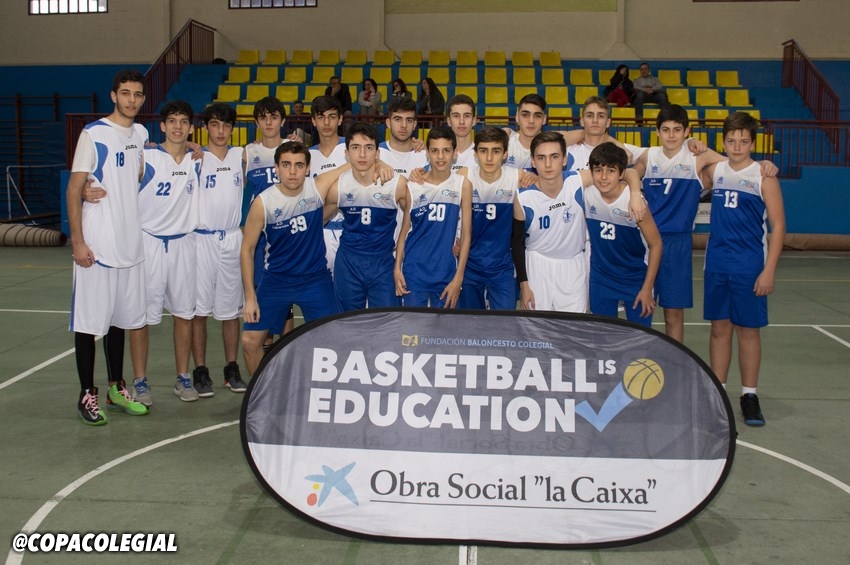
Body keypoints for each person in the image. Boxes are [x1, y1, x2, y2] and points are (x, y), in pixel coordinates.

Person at [632, 104, 776, 343]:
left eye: (677, 130)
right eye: (666, 129)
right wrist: (635, 192)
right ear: (656, 131)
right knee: (640, 309)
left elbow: (737, 163)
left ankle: (675, 364)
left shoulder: (698, 157)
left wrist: (763, 165)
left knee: (673, 315)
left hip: (677, 244)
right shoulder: (649, 156)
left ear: (687, 131)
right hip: (644, 240)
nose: (671, 135)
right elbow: (630, 173)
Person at [67, 69, 150, 424]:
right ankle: (86, 393)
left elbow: (137, 173)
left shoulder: (142, 134)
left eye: (138, 94)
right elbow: (74, 190)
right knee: (89, 323)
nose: (132, 100)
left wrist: (193, 147)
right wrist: (78, 242)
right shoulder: (93, 134)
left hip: (129, 247)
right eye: (126, 93)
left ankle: (117, 387)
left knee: (119, 320)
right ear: (114, 95)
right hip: (98, 247)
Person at [702, 112, 785, 426]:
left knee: (748, 331)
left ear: (753, 143)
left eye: (744, 141)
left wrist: (769, 270)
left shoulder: (764, 176)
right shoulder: (715, 171)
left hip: (749, 266)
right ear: (723, 142)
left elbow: (778, 226)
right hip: (716, 263)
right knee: (719, 329)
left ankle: (749, 396)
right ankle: (718, 393)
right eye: (731, 140)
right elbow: (693, 157)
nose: (737, 146)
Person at [512, 132, 644, 313]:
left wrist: (635, 194)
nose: (548, 164)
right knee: (535, 327)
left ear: (565, 159)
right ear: (533, 161)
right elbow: (517, 243)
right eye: (541, 158)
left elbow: (628, 171)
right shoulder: (523, 197)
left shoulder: (577, 180)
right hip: (537, 266)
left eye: (554, 157)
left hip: (573, 265)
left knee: (573, 326)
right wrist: (524, 284)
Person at [240, 142, 340, 376]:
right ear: (276, 168)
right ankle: (262, 393)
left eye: (299, 165)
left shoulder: (317, 188)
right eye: (286, 165)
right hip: (277, 280)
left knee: (334, 338)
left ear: (308, 168)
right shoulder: (263, 203)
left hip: (315, 280)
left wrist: (380, 164)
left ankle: (320, 390)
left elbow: (354, 164)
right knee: (250, 341)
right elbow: (247, 250)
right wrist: (250, 297)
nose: (292, 171)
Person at [133, 100, 201, 403]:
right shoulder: (146, 157)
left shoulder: (197, 160)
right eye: (172, 121)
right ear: (162, 126)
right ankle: (140, 380)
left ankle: (183, 377)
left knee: (184, 314)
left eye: (183, 121)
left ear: (190, 127)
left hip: (184, 243)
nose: (177, 127)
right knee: (141, 317)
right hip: (149, 244)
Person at [192, 103, 248, 396]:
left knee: (230, 311)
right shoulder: (195, 157)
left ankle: (231, 368)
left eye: (226, 125)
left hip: (232, 238)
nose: (221, 131)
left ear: (232, 129)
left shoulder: (241, 155)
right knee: (199, 310)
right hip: (202, 240)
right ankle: (200, 371)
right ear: (205, 127)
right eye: (215, 124)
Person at [324, 123, 408, 311]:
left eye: (368, 148)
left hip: (383, 263)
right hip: (349, 262)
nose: (362, 154)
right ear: (347, 153)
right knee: (346, 321)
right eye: (355, 147)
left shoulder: (396, 185)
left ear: (377, 153)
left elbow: (416, 217)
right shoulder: (338, 186)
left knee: (387, 321)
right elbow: (317, 220)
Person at [581, 142, 662, 326]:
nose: (603, 177)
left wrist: (647, 288)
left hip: (636, 278)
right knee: (603, 335)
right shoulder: (587, 194)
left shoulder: (634, 201)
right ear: (591, 172)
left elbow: (656, 244)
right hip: (602, 277)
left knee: (639, 337)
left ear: (621, 173)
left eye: (611, 170)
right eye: (598, 170)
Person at [394, 126, 472, 308]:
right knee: (414, 326)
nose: (440, 156)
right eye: (435, 151)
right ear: (427, 153)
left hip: (446, 272)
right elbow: (404, 231)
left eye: (446, 150)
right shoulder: (414, 186)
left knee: (446, 326)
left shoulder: (463, 185)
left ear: (455, 153)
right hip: (414, 270)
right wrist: (397, 268)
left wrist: (458, 278)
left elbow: (467, 234)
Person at [457, 126, 519, 310]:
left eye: (496, 151)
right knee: (470, 322)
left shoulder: (516, 177)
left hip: (502, 266)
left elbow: (549, 181)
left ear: (505, 154)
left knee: (505, 322)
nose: (489, 158)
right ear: (475, 153)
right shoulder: (464, 176)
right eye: (484, 151)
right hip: (470, 265)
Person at [309, 96, 348, 275]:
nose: (326, 123)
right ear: (313, 121)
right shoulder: (306, 156)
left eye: (332, 117)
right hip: (318, 234)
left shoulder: (354, 148)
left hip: (349, 233)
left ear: (340, 119)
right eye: (321, 117)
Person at [566, 96, 646, 173]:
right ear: (582, 121)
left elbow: (650, 154)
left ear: (608, 122)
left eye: (601, 116)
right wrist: (580, 134)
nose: (595, 120)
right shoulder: (569, 149)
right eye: (590, 116)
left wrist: (631, 175)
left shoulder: (620, 148)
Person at [379, 96, 428, 177]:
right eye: (398, 119)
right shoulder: (377, 153)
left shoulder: (424, 156)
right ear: (388, 123)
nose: (404, 125)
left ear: (414, 124)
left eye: (409, 120)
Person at [446, 94, 478, 171]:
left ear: (474, 120)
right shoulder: (439, 154)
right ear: (449, 121)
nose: (461, 121)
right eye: (456, 116)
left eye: (467, 116)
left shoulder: (482, 155)